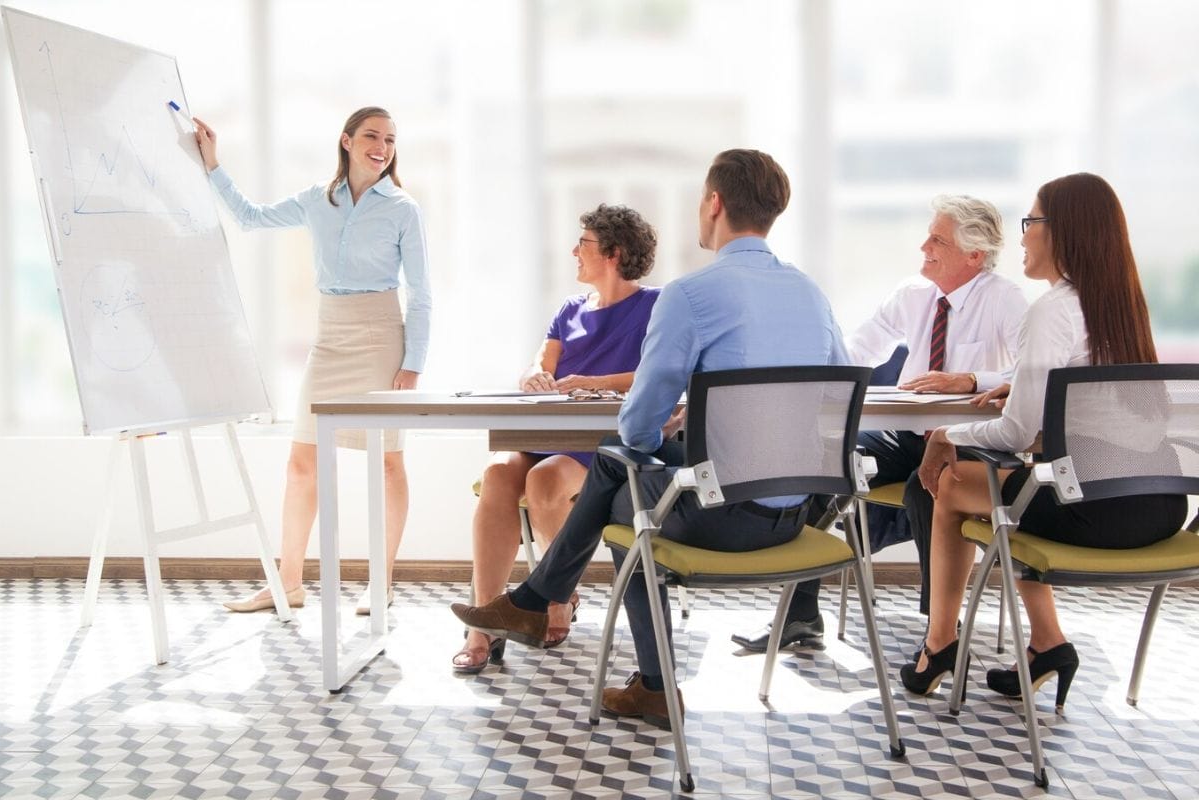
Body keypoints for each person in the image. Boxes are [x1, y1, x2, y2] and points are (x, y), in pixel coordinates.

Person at [451, 149, 848, 727]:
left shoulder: (690, 295)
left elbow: (638, 427)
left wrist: (669, 424)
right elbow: (835, 398)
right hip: (798, 516)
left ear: (714, 203)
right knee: (622, 475)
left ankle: (568, 622)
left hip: (721, 517)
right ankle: (545, 608)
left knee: (624, 480)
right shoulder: (811, 294)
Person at [901, 173, 1188, 704]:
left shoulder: (1053, 310)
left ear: (1063, 232)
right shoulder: (1123, 304)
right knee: (1013, 492)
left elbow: (1015, 432)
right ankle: (1047, 644)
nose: (1023, 236)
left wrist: (945, 432)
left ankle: (938, 645)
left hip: (1096, 511)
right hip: (1162, 505)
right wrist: (1031, 390)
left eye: (1031, 222)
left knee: (946, 482)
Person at [731, 195, 1027, 653]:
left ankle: (939, 636)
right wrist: (805, 375)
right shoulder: (913, 294)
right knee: (824, 461)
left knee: (932, 487)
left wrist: (971, 379)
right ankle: (800, 615)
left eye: (937, 239)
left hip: (969, 442)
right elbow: (857, 352)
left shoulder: (1006, 300)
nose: (923, 245)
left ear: (974, 255)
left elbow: (1033, 375)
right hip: (907, 437)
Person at [193, 107, 432, 614]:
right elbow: (250, 218)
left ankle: (382, 583)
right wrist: (213, 165)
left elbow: (423, 294)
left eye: (390, 139)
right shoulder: (316, 200)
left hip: (381, 336)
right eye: (372, 135)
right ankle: (289, 583)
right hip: (329, 337)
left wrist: (413, 362)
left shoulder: (403, 209)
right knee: (301, 462)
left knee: (388, 464)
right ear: (346, 141)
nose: (382, 146)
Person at [455, 204, 660, 673]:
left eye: (583, 243)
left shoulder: (654, 305)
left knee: (546, 480)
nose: (573, 251)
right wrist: (534, 377)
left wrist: (596, 382)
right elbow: (539, 362)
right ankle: (484, 622)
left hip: (600, 442)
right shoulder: (569, 308)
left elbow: (659, 373)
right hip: (545, 429)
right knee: (498, 474)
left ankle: (556, 595)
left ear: (613, 252)